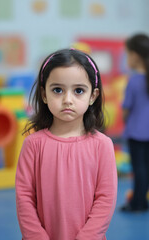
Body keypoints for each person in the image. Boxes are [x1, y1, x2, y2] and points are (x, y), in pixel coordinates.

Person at [15, 48, 117, 240]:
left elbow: (105, 199)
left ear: (93, 96)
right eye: (57, 90)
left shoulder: (102, 145)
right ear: (44, 94)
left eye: (78, 90)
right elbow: (24, 198)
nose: (67, 100)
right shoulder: (32, 145)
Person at [121, 34, 149, 212]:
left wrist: (126, 120)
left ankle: (137, 203)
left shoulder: (134, 81)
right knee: (146, 169)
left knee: (138, 169)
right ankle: (142, 200)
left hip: (136, 133)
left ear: (135, 55)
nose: (127, 58)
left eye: (128, 54)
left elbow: (126, 110)